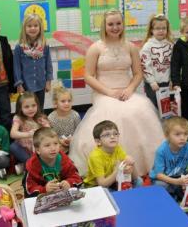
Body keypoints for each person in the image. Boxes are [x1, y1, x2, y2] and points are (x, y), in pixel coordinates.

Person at [69, 9, 164, 176]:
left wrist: (129, 89)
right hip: (104, 92)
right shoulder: (95, 48)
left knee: (141, 108)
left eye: (118, 23)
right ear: (104, 26)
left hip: (127, 91)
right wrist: (109, 92)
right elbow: (88, 76)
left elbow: (138, 74)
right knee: (119, 114)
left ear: (123, 25)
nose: (115, 27)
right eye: (111, 24)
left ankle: (144, 162)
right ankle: (112, 167)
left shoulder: (131, 47)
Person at [150, 117, 188, 201]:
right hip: (165, 179)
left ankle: (177, 193)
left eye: (185, 134)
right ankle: (183, 191)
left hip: (180, 176)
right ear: (167, 136)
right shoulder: (161, 151)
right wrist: (177, 182)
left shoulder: (187, 146)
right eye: (177, 134)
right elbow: (159, 175)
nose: (182, 138)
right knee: (159, 186)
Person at [23, 128, 82, 198]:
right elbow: (28, 189)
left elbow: (77, 178)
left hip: (63, 196)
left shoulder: (64, 160)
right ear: (38, 150)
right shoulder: (32, 165)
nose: (53, 148)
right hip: (43, 199)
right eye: (47, 145)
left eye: (56, 144)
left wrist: (69, 183)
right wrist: (44, 189)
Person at [84, 120, 141, 189]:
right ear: (98, 141)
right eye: (107, 135)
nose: (112, 137)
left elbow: (134, 177)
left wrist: (132, 164)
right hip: (95, 186)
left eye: (115, 134)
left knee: (139, 181)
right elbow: (102, 184)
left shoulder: (117, 148)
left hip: (113, 180)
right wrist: (118, 171)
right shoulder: (95, 156)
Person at [13, 13, 53, 109]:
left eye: (35, 25)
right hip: (26, 85)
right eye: (29, 26)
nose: (33, 28)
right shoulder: (19, 47)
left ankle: (39, 124)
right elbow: (16, 67)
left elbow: (48, 65)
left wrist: (48, 82)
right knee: (26, 109)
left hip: (40, 84)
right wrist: (19, 84)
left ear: (40, 28)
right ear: (24, 28)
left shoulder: (44, 46)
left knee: (39, 108)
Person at [140, 14, 173, 108]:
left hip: (167, 83)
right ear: (152, 30)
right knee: (154, 108)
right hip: (153, 85)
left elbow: (173, 65)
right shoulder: (147, 46)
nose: (161, 31)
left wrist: (172, 80)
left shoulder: (170, 45)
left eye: (164, 28)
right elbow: (145, 65)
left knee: (167, 108)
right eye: (158, 28)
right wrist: (151, 81)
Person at [10, 92, 50, 165]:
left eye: (33, 105)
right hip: (24, 149)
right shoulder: (18, 118)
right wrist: (28, 134)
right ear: (20, 108)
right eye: (26, 107)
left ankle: (31, 164)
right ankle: (30, 163)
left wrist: (46, 126)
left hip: (37, 149)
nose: (31, 109)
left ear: (37, 105)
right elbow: (13, 134)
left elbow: (49, 133)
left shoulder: (40, 118)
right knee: (13, 147)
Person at [48, 82, 81, 153]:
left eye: (69, 101)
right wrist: (59, 141)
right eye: (63, 101)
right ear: (55, 103)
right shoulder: (51, 117)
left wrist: (72, 139)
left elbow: (79, 131)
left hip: (73, 141)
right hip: (58, 142)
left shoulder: (75, 115)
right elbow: (51, 135)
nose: (67, 103)